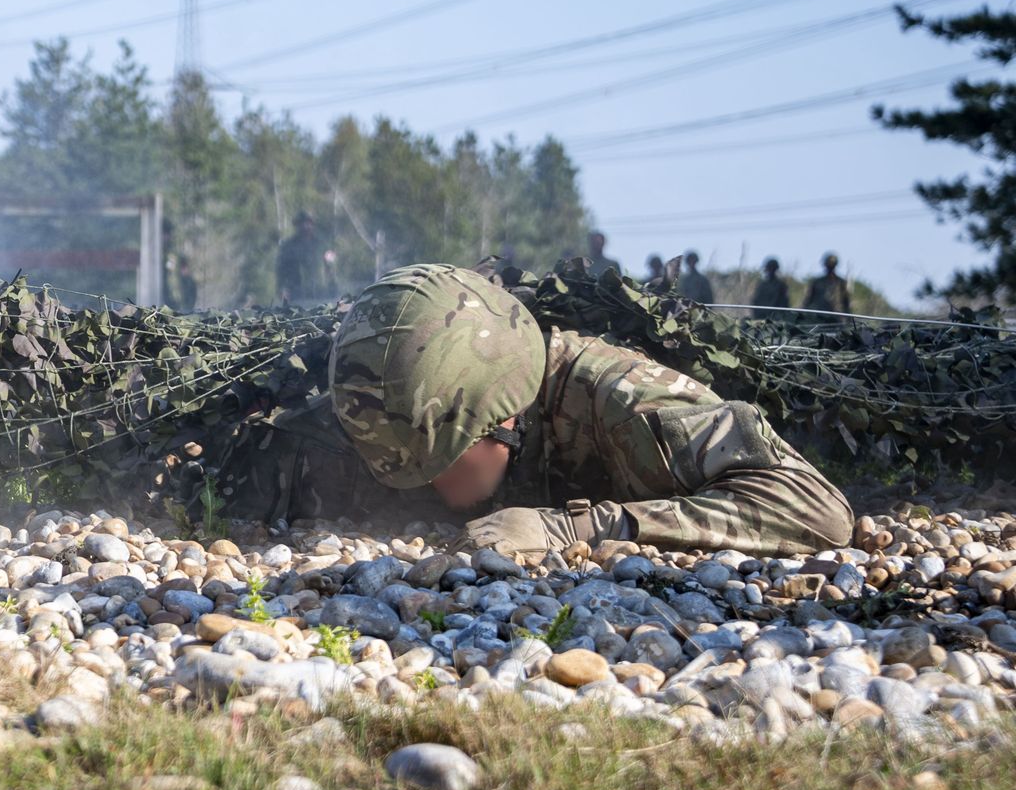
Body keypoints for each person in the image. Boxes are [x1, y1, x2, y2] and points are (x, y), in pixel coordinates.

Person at [325, 264, 853, 555]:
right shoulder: (408, 404)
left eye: (444, 462)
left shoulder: (632, 403)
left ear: (504, 415)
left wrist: (576, 530)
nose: (431, 483)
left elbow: (817, 510)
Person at [274, 213, 326, 304]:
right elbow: (281, 269)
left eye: (308, 223)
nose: (305, 227)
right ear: (297, 226)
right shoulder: (289, 246)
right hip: (296, 291)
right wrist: (282, 289)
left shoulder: (321, 244)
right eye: (301, 224)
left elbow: (331, 268)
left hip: (320, 292)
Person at [803, 252, 852, 316]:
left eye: (832, 264)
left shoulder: (840, 283)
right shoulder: (817, 282)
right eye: (829, 264)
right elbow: (808, 300)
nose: (830, 267)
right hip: (818, 316)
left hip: (835, 319)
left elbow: (846, 303)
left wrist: (848, 319)